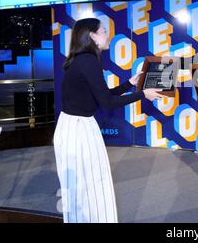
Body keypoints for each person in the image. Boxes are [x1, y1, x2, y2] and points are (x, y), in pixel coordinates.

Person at [54, 18, 163, 223]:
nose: (108, 35)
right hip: (77, 130)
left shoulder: (83, 59)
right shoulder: (87, 61)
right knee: (89, 187)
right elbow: (108, 103)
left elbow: (101, 95)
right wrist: (142, 94)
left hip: (78, 127)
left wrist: (129, 84)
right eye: (104, 31)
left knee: (88, 186)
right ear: (93, 36)